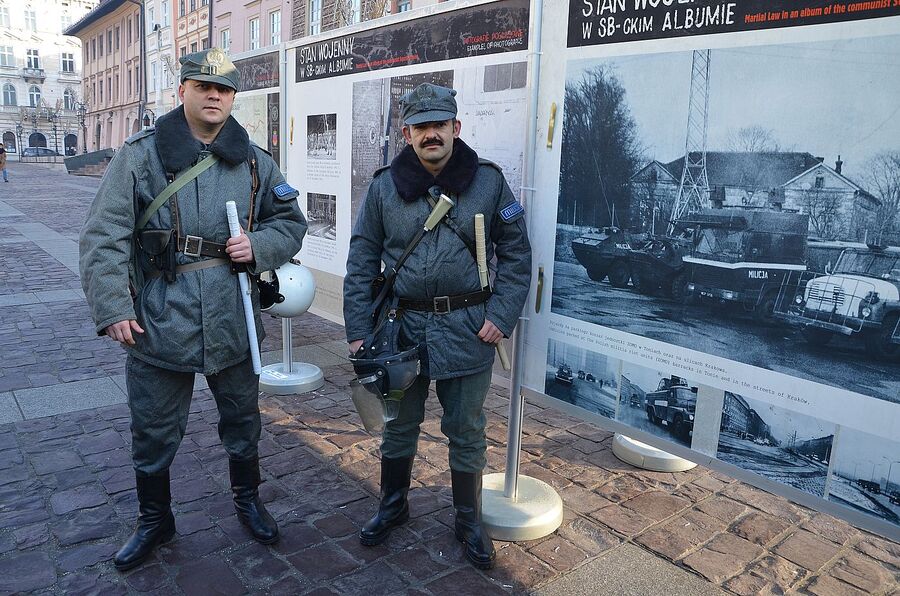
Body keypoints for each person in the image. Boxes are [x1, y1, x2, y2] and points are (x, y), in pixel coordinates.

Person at [79, 48, 307, 571]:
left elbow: (291, 220)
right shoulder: (139, 156)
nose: (213, 95)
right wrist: (113, 305)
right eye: (203, 86)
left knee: (243, 417)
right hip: (160, 315)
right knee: (153, 425)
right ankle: (155, 519)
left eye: (224, 89)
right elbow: (103, 238)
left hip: (233, 313)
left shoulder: (254, 160)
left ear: (232, 99)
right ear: (182, 90)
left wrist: (261, 245)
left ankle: (249, 500)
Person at [343, 83, 532, 569]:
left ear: (456, 128)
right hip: (402, 329)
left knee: (466, 428)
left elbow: (515, 254)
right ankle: (393, 503)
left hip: (469, 327)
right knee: (398, 425)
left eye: (439, 125)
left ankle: (468, 517)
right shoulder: (385, 187)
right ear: (406, 132)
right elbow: (362, 259)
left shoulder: (488, 183)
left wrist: (501, 315)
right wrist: (358, 329)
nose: (431, 134)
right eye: (421, 126)